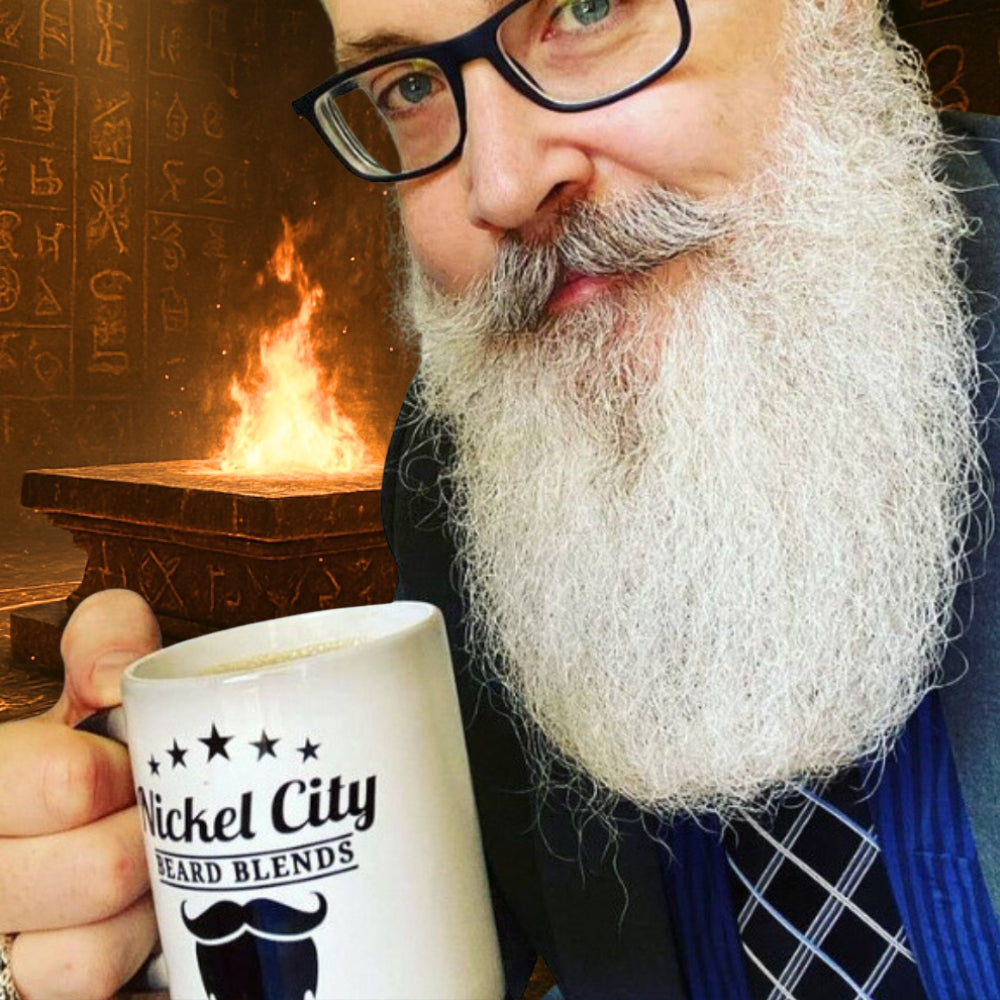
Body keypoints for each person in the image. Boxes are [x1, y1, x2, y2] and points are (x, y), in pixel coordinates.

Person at [1, 0, 999, 996]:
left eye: (586, 9)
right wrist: (147, 891)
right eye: (411, 86)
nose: (506, 183)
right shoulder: (454, 467)